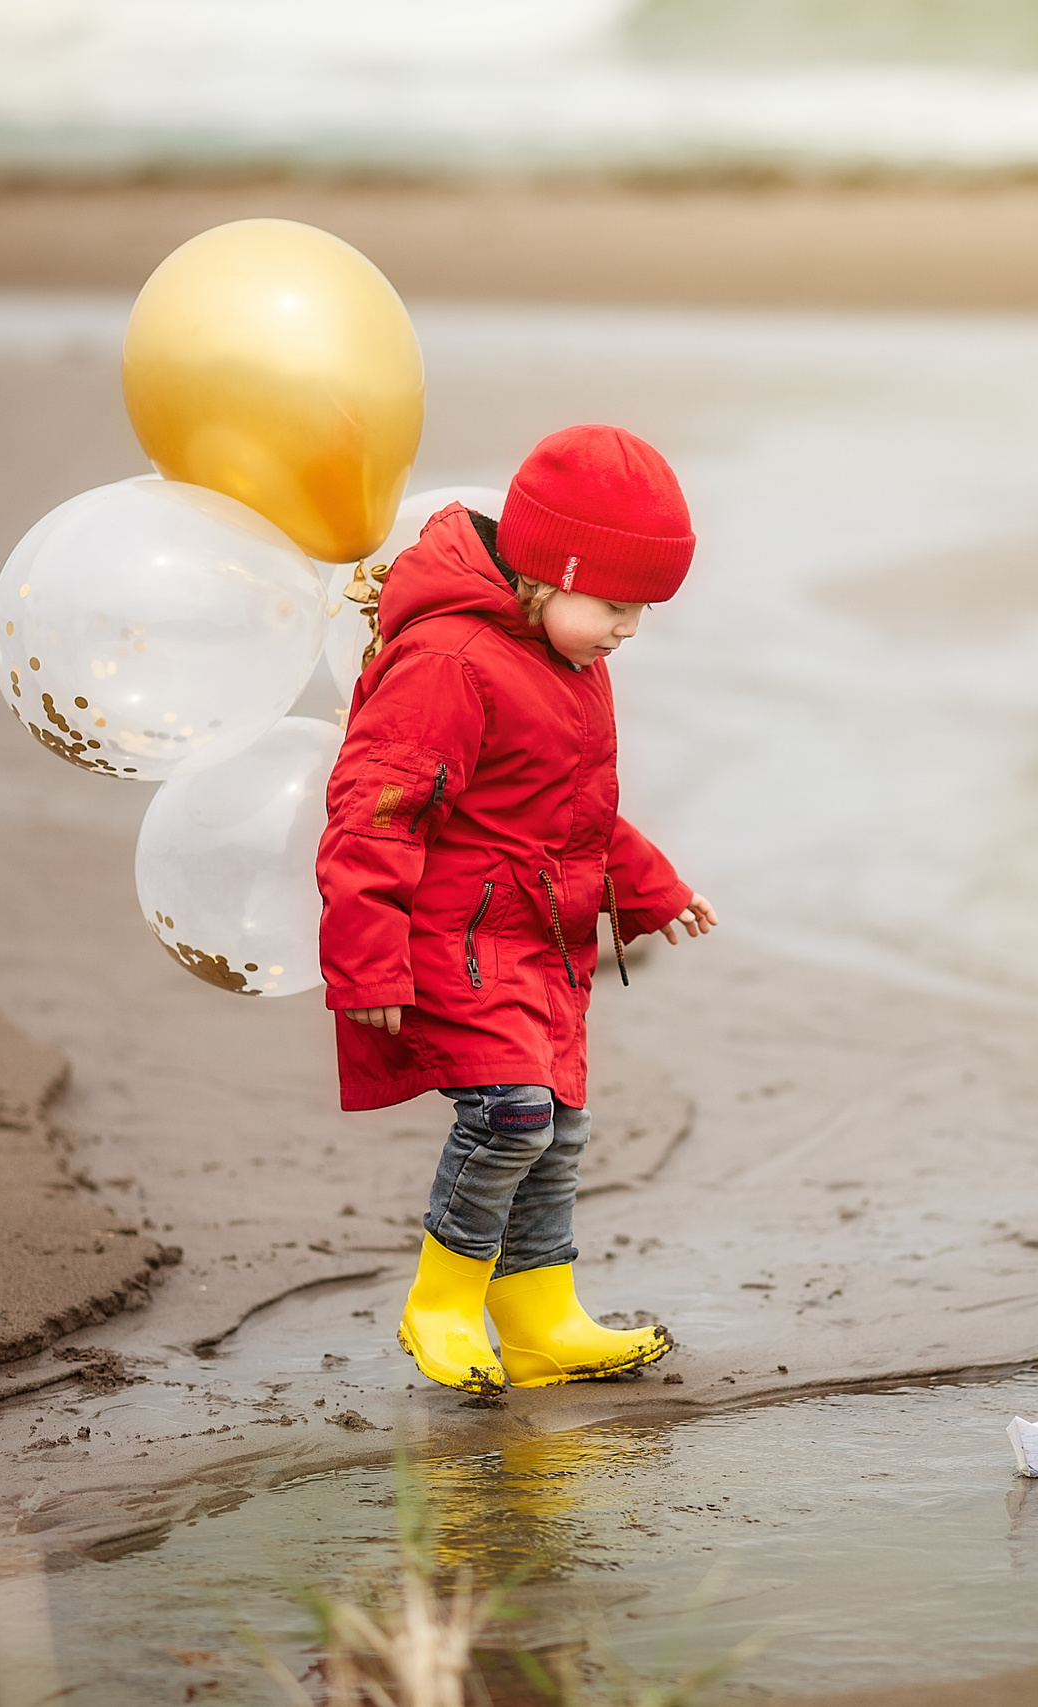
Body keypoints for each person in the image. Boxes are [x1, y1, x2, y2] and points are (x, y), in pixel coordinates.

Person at [317, 425, 716, 1396]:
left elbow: (577, 813)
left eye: (642, 611)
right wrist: (365, 965)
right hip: (453, 940)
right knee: (510, 1114)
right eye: (617, 604)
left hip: (540, 942)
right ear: (549, 572)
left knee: (561, 1126)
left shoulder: (572, 664)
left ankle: (540, 1317)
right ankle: (442, 1302)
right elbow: (373, 814)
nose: (628, 629)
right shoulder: (450, 662)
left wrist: (651, 889)